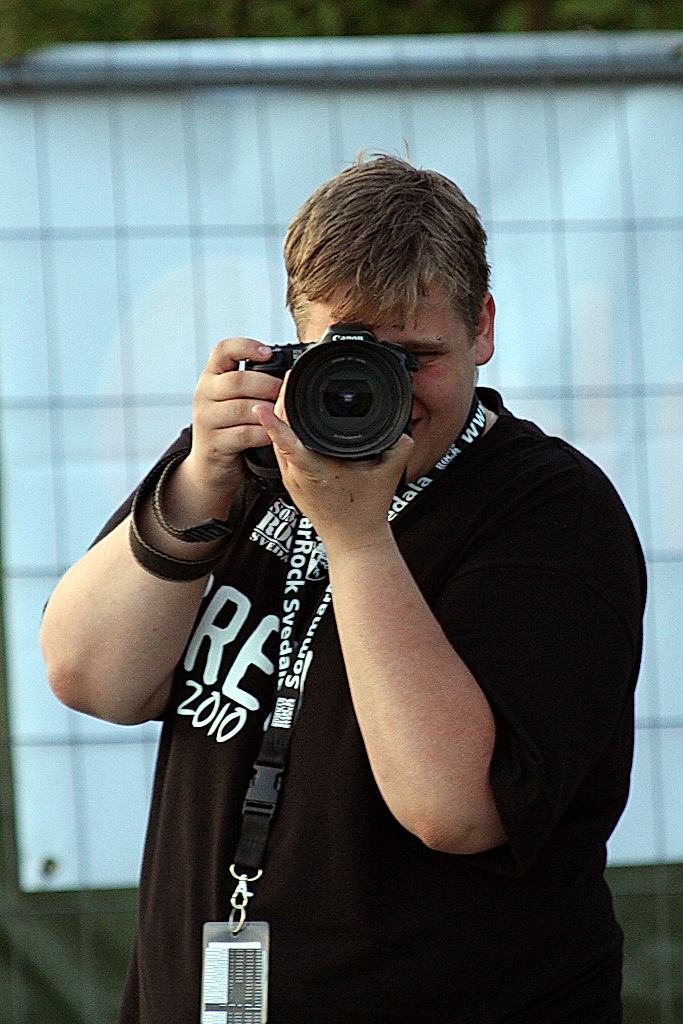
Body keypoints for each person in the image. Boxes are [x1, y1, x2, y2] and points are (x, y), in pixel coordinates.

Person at [40, 154, 646, 1024]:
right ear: (295, 340)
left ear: (482, 326)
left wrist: (356, 538)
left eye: (418, 359)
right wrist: (196, 483)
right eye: (354, 362)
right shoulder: (254, 462)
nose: (384, 398)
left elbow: (455, 808)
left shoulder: (552, 511)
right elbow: (91, 678)